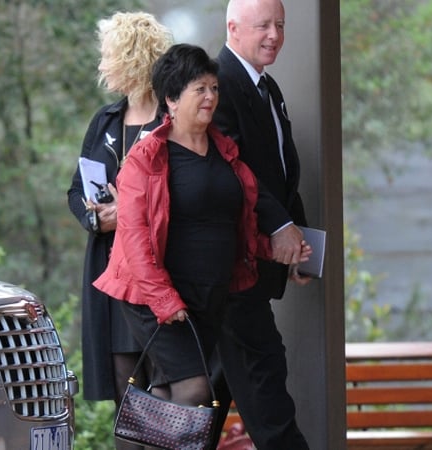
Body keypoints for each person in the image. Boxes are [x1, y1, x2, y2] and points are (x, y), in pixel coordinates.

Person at [93, 42, 307, 425]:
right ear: (171, 100)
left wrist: (270, 249)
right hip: (156, 298)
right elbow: (135, 239)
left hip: (207, 297)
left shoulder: (226, 153)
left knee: (162, 395)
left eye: (214, 88)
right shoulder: (147, 158)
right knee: (195, 391)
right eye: (200, 90)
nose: (211, 97)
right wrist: (164, 300)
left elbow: (232, 227)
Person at [65, 12, 172, 450]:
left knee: (167, 391)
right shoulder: (105, 121)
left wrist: (127, 214)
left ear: (131, 58)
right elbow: (76, 191)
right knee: (125, 396)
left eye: (108, 55)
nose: (102, 65)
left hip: (157, 277)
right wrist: (95, 217)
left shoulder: (173, 120)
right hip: (110, 276)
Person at [209, 0, 311, 448]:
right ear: (232, 27)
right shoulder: (218, 85)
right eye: (264, 25)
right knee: (266, 384)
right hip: (233, 267)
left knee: (207, 397)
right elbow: (236, 169)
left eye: (281, 25)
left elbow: (280, 174)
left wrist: (302, 240)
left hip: (251, 266)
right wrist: (281, 226)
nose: (275, 34)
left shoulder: (267, 87)